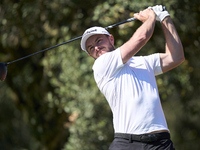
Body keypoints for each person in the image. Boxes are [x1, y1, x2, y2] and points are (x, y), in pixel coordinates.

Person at [80, 5, 184, 150]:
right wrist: (151, 17)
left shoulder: (143, 61)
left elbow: (176, 57)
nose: (96, 48)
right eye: (91, 48)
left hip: (161, 143)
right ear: (91, 55)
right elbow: (141, 37)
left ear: (111, 39)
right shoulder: (101, 65)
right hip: (127, 143)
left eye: (98, 41)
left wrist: (164, 17)